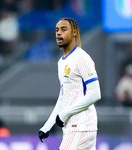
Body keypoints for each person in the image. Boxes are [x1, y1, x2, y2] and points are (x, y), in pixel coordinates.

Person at [38, 18, 101, 150]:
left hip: (80, 126)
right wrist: (47, 126)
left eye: (63, 29)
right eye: (56, 30)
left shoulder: (81, 57)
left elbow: (95, 93)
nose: (58, 33)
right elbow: (63, 97)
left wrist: (65, 114)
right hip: (73, 127)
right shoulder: (61, 62)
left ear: (74, 32)